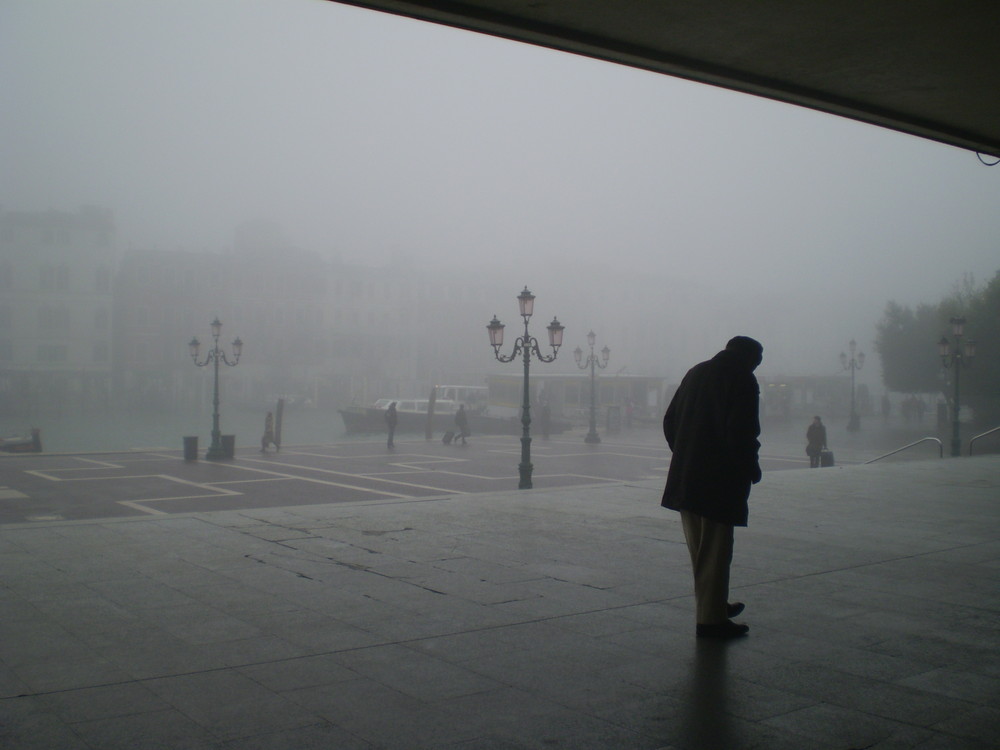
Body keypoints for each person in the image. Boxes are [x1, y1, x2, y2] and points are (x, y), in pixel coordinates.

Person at [662, 336, 763, 639]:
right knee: (717, 551)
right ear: (750, 357)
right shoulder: (742, 379)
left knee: (700, 550)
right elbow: (742, 431)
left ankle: (714, 604)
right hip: (719, 479)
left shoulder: (696, 372)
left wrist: (685, 452)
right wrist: (749, 468)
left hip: (686, 477)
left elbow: (670, 421)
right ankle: (711, 621)